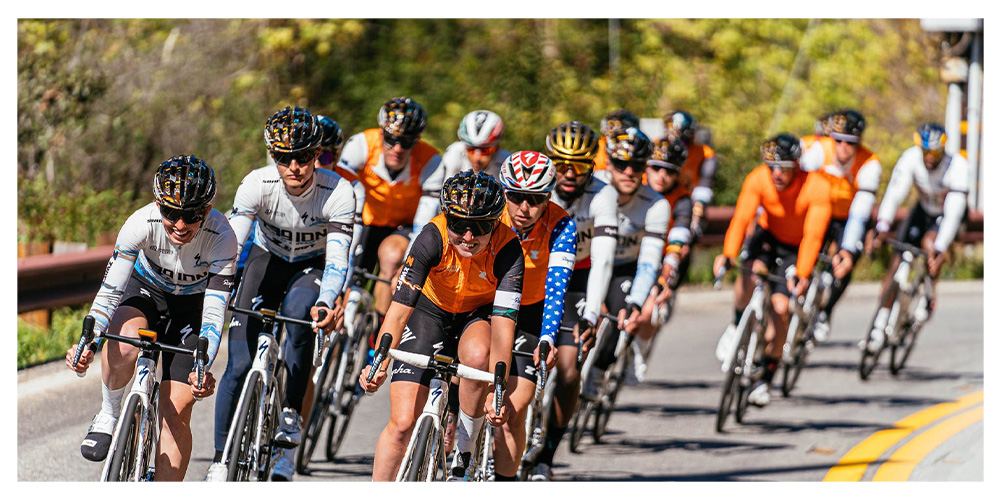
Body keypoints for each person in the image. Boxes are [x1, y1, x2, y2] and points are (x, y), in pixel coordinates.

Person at [206, 106, 355, 482]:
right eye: (283, 157)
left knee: (301, 313)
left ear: (316, 154)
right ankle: (219, 463)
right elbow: (233, 245)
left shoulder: (338, 190)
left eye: (305, 157)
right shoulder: (257, 183)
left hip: (311, 266)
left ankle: (290, 412)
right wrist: (217, 292)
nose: (295, 166)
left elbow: (338, 260)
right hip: (265, 259)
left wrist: (328, 300)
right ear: (271, 155)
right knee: (238, 366)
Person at [67, 155, 236, 481]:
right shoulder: (140, 223)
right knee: (125, 343)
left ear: (208, 208)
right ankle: (109, 411)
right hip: (146, 293)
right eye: (170, 212)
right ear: (158, 204)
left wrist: (203, 366)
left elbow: (215, 314)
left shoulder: (223, 236)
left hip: (192, 307)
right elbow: (109, 292)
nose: (181, 224)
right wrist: (89, 340)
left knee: (176, 412)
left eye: (192, 214)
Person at [358, 170, 525, 482]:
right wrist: (377, 361)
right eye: (459, 224)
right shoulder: (431, 236)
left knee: (477, 356)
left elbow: (504, 327)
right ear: (446, 217)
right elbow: (398, 311)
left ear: (496, 223)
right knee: (403, 424)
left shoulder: (508, 248)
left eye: (481, 226)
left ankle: (465, 452)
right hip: (429, 311)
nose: (469, 236)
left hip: (477, 314)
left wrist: (496, 389)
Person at [712, 133, 832, 408]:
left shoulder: (816, 186)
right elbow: (742, 218)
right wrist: (728, 254)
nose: (777, 174)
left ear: (797, 165)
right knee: (748, 270)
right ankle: (736, 323)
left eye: (785, 168)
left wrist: (802, 274)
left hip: (797, 246)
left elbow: (813, 236)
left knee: (781, 308)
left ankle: (765, 377)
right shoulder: (758, 178)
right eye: (772, 167)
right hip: (768, 236)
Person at [530, 121, 619, 481]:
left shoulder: (603, 194)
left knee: (569, 369)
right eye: (561, 165)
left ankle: (547, 455)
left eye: (578, 167)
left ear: (591, 168)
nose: (568, 175)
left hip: (580, 276)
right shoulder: (537, 185)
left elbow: (604, 259)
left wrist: (593, 312)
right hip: (538, 271)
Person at [494, 151, 575, 481]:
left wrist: (546, 337)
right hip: (488, 304)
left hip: (531, 311)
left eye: (534, 200)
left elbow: (557, 290)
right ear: (503, 192)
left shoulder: (562, 223)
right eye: (515, 196)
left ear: (548, 198)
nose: (523, 209)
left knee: (516, 407)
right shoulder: (490, 212)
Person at [336, 96, 445, 318]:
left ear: (417, 141)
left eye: (406, 142)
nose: (397, 148)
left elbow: (423, 220)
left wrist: (408, 267)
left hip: (402, 226)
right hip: (364, 220)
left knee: (393, 258)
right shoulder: (362, 144)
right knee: (346, 276)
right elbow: (339, 192)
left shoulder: (430, 160)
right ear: (381, 132)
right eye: (391, 138)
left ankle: (379, 332)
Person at [865, 122, 969, 352]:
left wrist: (941, 246)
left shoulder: (958, 167)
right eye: (925, 152)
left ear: (943, 150)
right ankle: (879, 324)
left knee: (930, 246)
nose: (929, 158)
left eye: (933, 153)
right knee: (896, 264)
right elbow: (895, 193)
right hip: (921, 210)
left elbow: (953, 215)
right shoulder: (911, 157)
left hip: (946, 215)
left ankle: (929, 292)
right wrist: (882, 224)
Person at [586, 127, 669, 392]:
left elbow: (649, 261)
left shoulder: (655, 204)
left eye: (636, 165)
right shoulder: (590, 187)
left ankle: (599, 371)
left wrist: (636, 300)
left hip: (624, 268)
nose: (629, 172)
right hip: (586, 262)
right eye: (622, 165)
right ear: (608, 163)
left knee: (623, 316)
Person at [799, 109, 882, 340]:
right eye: (838, 140)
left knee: (847, 261)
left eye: (850, 143)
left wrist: (846, 248)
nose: (843, 147)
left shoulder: (869, 163)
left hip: (848, 217)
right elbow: (799, 183)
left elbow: (860, 213)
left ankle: (825, 312)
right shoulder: (820, 150)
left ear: (859, 143)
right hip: (819, 211)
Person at [635, 136, 692, 378]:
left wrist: (666, 278)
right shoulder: (633, 186)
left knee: (649, 311)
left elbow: (678, 242)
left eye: (669, 171)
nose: (661, 176)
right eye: (655, 167)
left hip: (667, 256)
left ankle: (638, 351)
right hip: (633, 252)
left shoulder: (682, 200)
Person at [662, 110, 718, 240]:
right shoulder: (658, 147)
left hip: (687, 202)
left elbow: (704, 186)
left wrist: (696, 216)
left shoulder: (703, 153)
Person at [441, 109, 511, 179]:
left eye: (485, 151)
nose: (476, 158)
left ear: (497, 147)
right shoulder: (454, 153)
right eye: (470, 150)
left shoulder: (507, 164)